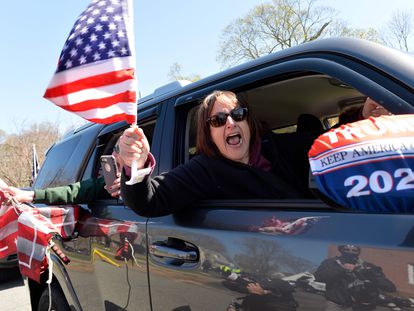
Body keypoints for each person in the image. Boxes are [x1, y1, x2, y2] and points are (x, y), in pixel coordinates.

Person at [119, 90, 318, 217]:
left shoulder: (281, 147)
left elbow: (328, 148)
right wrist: (135, 164)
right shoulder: (205, 169)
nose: (231, 123)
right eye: (218, 120)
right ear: (209, 134)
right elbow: (148, 201)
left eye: (238, 115)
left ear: (248, 122)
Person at [2, 134, 123, 205]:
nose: (112, 154)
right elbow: (76, 191)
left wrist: (131, 188)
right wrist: (30, 195)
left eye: (118, 149)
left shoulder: (141, 180)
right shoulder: (107, 183)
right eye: (113, 148)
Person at [314, 245, 396, 311]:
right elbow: (319, 277)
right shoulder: (331, 262)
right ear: (341, 250)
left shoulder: (367, 266)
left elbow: (390, 288)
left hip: (363, 306)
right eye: (346, 249)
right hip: (337, 304)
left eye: (354, 250)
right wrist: (342, 269)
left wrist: (373, 275)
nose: (350, 252)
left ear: (358, 252)